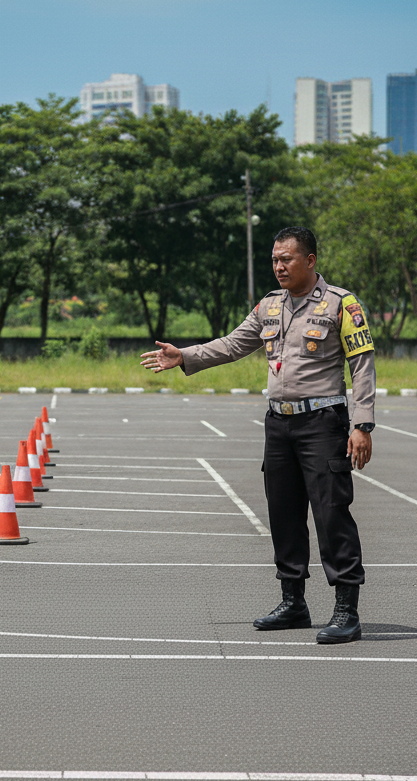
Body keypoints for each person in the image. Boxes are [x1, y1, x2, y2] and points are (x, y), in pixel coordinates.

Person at [141, 227, 376, 644]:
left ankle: (346, 609)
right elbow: (233, 344)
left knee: (330, 513)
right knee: (283, 513)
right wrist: (185, 356)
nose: (279, 266)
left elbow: (362, 365)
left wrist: (362, 425)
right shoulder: (269, 306)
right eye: (274, 260)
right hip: (279, 424)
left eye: (286, 258)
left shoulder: (341, 304)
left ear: (310, 260)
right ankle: (293, 602)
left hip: (322, 424)